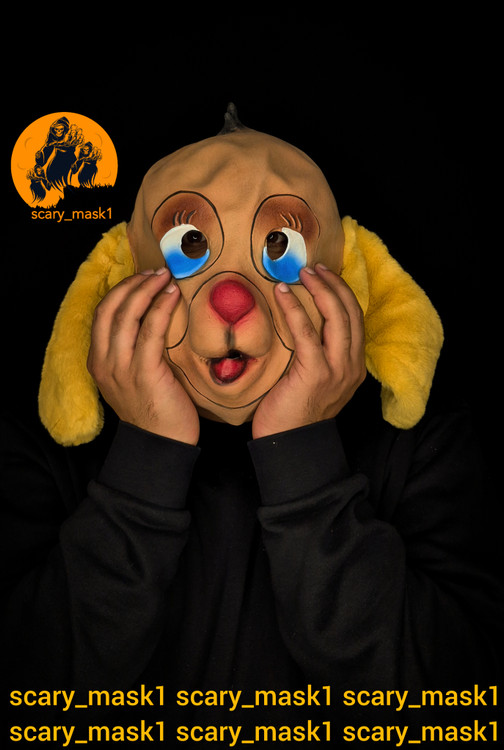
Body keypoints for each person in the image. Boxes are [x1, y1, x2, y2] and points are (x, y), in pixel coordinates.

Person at [3, 110, 502, 746]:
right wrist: (147, 457)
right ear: (120, 276)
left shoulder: (422, 443)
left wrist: (304, 457)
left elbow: (458, 707)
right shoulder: (36, 449)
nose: (233, 297)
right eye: (189, 245)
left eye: (280, 247)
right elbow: (28, 698)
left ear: (352, 277)